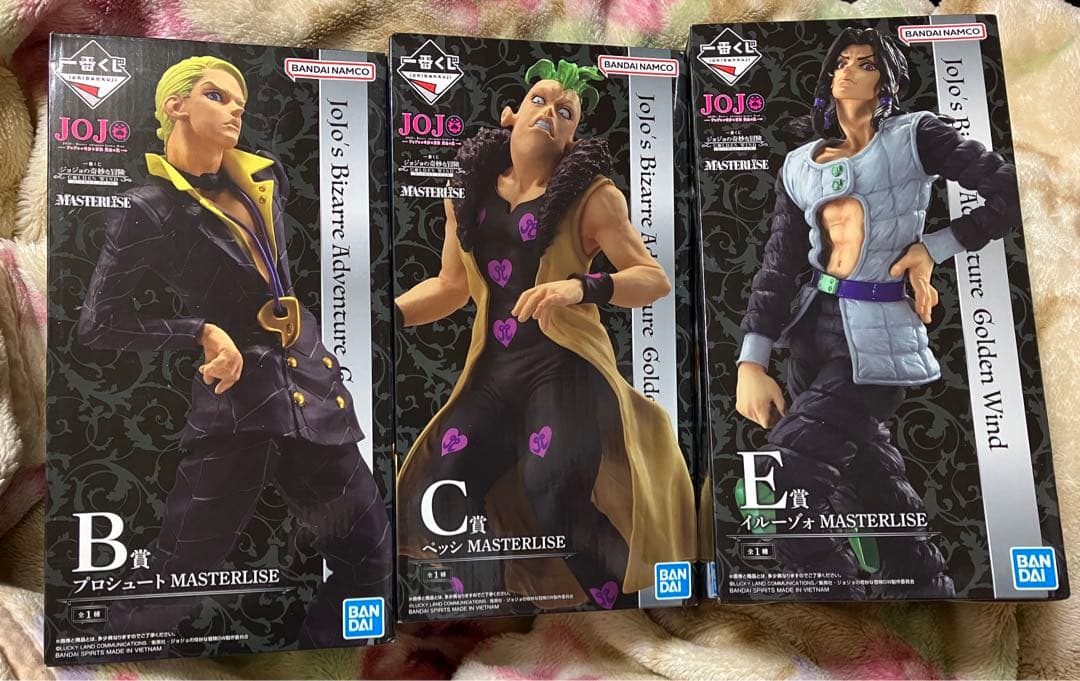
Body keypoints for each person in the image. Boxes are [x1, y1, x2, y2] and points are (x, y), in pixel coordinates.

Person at [77, 55, 390, 646]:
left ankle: (327, 656)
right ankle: (110, 654)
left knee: (371, 559)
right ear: (175, 105)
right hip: (238, 405)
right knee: (174, 580)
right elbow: (97, 324)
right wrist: (198, 330)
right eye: (217, 96)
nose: (235, 110)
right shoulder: (149, 208)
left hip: (311, 390)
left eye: (239, 103)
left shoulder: (264, 177)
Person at [395, 58, 695, 610]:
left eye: (565, 111)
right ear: (510, 116)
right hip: (494, 371)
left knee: (553, 489)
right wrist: (389, 316)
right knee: (439, 485)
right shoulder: (465, 194)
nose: (550, 113)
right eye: (540, 100)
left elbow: (652, 279)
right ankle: (485, 608)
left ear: (571, 136)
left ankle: (622, 612)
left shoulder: (593, 197)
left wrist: (579, 288)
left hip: (564, 367)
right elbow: (450, 286)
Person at [735, 27, 1020, 598]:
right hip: (812, 332)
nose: (847, 71)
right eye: (841, 61)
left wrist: (934, 247)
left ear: (886, 81)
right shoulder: (799, 165)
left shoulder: (916, 136)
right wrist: (752, 361)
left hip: (879, 334)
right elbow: (778, 265)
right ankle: (928, 591)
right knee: (872, 484)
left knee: (779, 481)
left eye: (865, 64)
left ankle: (834, 606)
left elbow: (1010, 190)